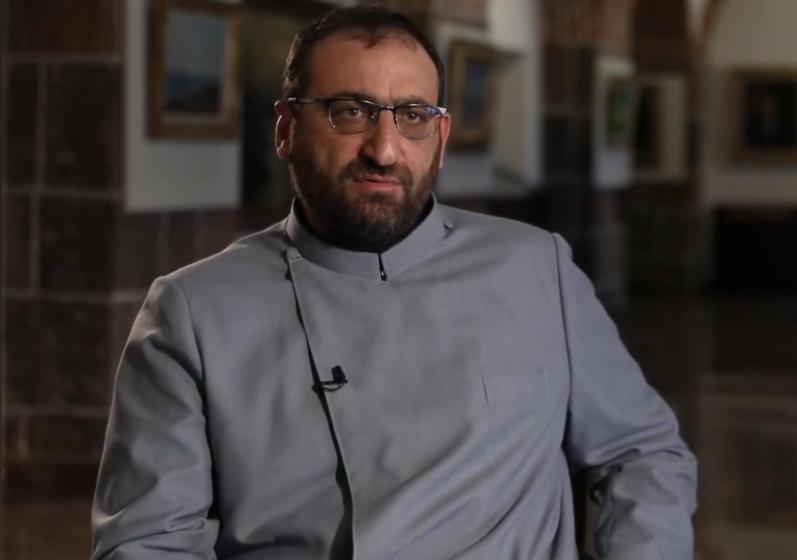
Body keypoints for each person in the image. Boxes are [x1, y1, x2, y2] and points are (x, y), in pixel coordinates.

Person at [92, 7, 696, 560]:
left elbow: (642, 454)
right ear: (286, 129)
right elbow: (147, 544)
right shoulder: (193, 312)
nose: (384, 150)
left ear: (441, 136)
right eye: (350, 112)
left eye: (412, 116)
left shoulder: (539, 268)